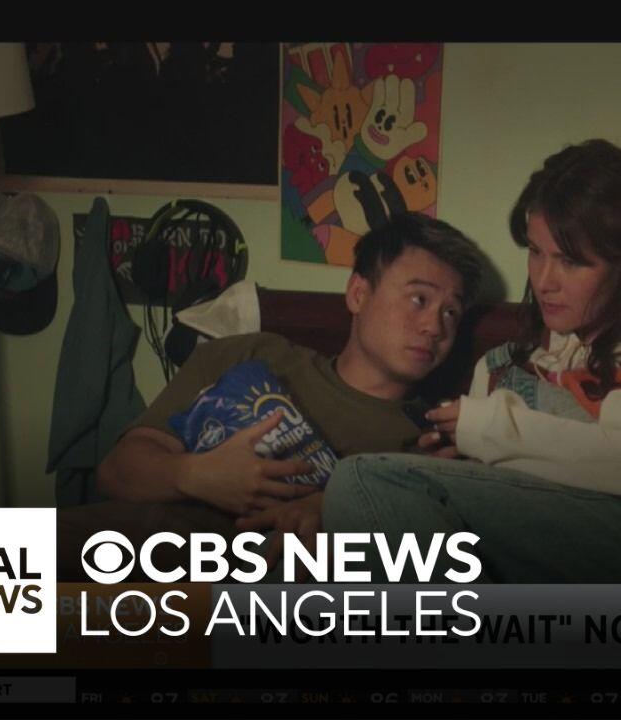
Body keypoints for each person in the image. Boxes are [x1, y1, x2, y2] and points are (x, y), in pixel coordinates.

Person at [323, 139, 621, 583]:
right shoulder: (504, 365)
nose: (544, 281)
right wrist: (458, 469)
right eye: (536, 252)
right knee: (382, 509)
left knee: (364, 481)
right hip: (558, 541)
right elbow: (518, 500)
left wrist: (497, 430)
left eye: (571, 261)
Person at [57, 212, 485, 577]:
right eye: (418, 299)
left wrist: (335, 507)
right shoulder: (251, 354)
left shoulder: (428, 444)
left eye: (451, 311)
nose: (435, 327)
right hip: (125, 552)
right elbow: (117, 472)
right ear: (358, 294)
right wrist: (195, 476)